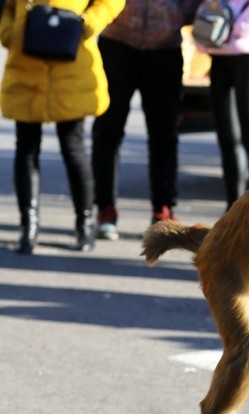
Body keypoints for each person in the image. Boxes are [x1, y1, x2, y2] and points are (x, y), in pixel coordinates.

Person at [0, 0, 125, 254]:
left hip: (72, 60)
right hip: (26, 62)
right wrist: (10, 31)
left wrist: (86, 24)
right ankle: (28, 228)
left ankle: (84, 224)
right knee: (26, 148)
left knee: (73, 147)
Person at [91, 0, 204, 240]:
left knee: (164, 133)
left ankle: (163, 209)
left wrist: (175, 14)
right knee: (107, 130)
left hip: (165, 47)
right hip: (116, 43)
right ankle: (105, 208)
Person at [193, 0, 249, 210]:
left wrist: (236, 28)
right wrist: (207, 25)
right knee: (228, 137)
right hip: (218, 50)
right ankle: (233, 209)